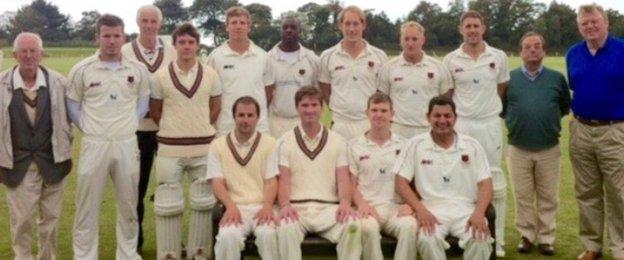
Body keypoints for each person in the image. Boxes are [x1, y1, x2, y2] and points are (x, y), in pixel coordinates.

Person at [67, 14, 151, 260]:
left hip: (126, 142)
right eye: (106, 36)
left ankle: (127, 254)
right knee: (86, 206)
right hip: (95, 143)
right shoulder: (81, 69)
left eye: (116, 36)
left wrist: (126, 127)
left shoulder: (138, 70)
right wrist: (93, 129)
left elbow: (142, 104)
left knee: (128, 205)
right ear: (98, 37)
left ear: (124, 37)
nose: (112, 41)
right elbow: (73, 107)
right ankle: (84, 256)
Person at [149, 23, 222, 260]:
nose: (187, 47)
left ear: (197, 45)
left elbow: (215, 107)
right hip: (170, 149)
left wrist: (200, 127)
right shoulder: (159, 76)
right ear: (175, 45)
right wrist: (174, 129)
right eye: (182, 42)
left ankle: (199, 253)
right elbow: (156, 112)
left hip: (203, 147)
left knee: (203, 201)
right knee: (168, 202)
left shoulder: (211, 74)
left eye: (191, 42)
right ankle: (169, 253)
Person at [0, 32, 73, 260]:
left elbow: (75, 117)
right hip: (16, 164)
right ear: (15, 55)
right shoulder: (1, 84)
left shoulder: (59, 83)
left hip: (54, 161)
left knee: (50, 220)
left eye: (34, 51)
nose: (29, 56)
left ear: (41, 54)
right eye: (24, 51)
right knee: (22, 221)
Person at [443, 10, 509, 257]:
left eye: (476, 26)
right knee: (462, 179)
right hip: (462, 126)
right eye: (467, 26)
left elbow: (501, 88)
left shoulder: (498, 56)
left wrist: (486, 111)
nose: (472, 30)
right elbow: (447, 96)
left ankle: (498, 240)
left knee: (495, 179)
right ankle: (465, 233)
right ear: (461, 29)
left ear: (483, 28)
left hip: (489, 124)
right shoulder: (451, 59)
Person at [395, 96, 493, 260]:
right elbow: (400, 182)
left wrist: (479, 213)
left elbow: (486, 184)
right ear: (428, 118)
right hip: (432, 210)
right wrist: (420, 210)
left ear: (455, 118)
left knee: (481, 239)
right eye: (437, 116)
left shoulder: (472, 145)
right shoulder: (415, 144)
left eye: (447, 116)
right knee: (427, 240)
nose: (442, 120)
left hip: (466, 210)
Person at [274, 86, 361, 260]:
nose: (310, 110)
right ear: (297, 108)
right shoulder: (284, 141)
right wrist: (284, 205)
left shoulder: (338, 141)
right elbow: (283, 180)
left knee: (353, 226)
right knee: (285, 228)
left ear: (322, 108)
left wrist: (345, 202)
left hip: (329, 209)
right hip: (296, 209)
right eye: (305, 105)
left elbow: (343, 178)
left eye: (314, 105)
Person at [566, 4, 624, 260]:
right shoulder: (573, 53)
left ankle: (620, 247)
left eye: (594, 21)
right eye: (584, 23)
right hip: (580, 129)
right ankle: (592, 246)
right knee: (587, 191)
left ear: (606, 23)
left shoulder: (622, 50)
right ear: (579, 27)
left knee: (619, 192)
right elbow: (575, 86)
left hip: (614, 131)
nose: (589, 26)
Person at [504, 31, 570, 256]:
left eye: (537, 46)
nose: (533, 50)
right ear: (521, 52)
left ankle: (546, 238)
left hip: (548, 148)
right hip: (518, 148)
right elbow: (503, 109)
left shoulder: (556, 78)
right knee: (522, 195)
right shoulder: (509, 79)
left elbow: (563, 107)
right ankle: (527, 235)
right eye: (528, 46)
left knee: (548, 196)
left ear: (544, 51)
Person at [120, 4, 177, 250]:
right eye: (145, 21)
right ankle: (135, 241)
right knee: (137, 188)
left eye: (154, 21)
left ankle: (171, 241)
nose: (149, 25)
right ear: (137, 23)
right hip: (136, 131)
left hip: (167, 130)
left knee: (169, 187)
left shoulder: (172, 50)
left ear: (160, 24)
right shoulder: (125, 51)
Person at [208, 96, 279, 260]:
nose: (245, 120)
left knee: (268, 236)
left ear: (258, 118)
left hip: (263, 206)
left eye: (250, 115)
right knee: (228, 237)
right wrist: (230, 206)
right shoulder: (217, 145)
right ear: (234, 117)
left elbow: (271, 181)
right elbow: (217, 182)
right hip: (235, 207)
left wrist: (267, 206)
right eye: (241, 115)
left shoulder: (270, 143)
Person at [350, 92, 418, 260]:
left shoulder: (405, 145)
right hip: (369, 207)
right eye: (374, 110)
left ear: (392, 114)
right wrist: (362, 205)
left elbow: (416, 181)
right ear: (367, 113)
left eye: (383, 110)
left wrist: (412, 205)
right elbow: (349, 184)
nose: (379, 115)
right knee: (368, 229)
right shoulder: (353, 145)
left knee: (410, 226)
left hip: (397, 208)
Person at [319, 5, 388, 140]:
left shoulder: (379, 56)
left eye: (356, 24)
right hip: (340, 124)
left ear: (363, 25)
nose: (351, 29)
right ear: (340, 26)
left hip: (370, 123)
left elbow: (383, 92)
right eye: (347, 24)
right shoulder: (327, 56)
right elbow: (325, 90)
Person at [207, 6, 274, 136]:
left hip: (258, 127)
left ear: (249, 27)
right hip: (226, 127)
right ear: (227, 27)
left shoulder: (263, 56)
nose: (238, 26)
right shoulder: (215, 57)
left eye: (242, 23)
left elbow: (269, 91)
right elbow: (209, 93)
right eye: (233, 22)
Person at [378, 21, 452, 139]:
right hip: (397, 130)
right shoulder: (389, 67)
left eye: (414, 39)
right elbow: (382, 101)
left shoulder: (438, 67)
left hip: (429, 130)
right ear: (400, 41)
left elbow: (447, 101)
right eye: (406, 39)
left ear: (422, 40)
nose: (410, 43)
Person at [268, 16, 319, 138]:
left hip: (304, 121)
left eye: (293, 27)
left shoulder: (311, 58)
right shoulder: (268, 58)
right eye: (285, 27)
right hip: (276, 122)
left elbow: (318, 93)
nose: (289, 30)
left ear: (299, 31)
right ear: (280, 31)